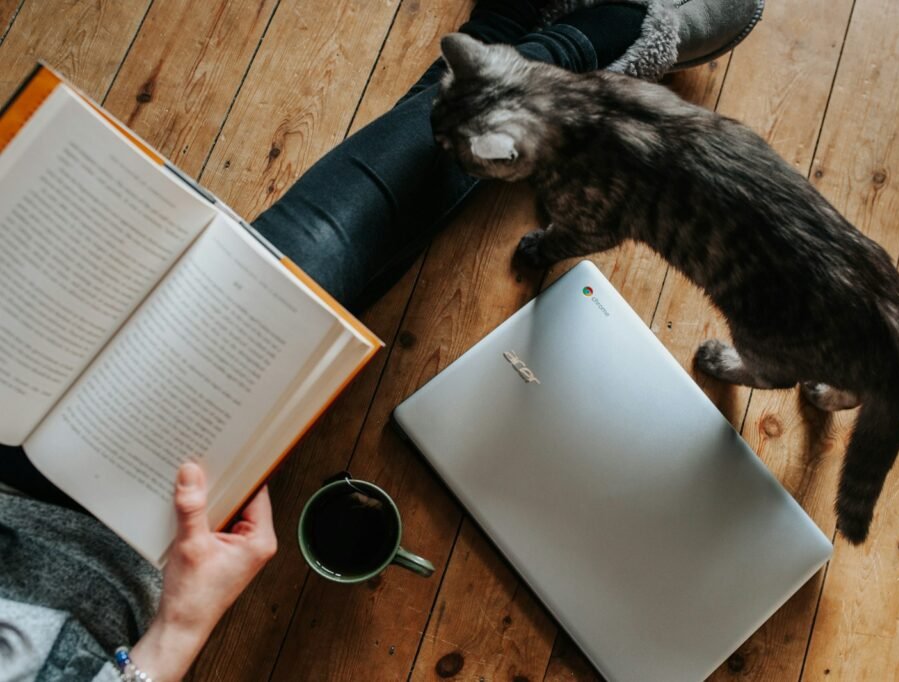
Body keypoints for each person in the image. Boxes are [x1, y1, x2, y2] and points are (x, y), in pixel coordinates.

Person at [0, 1, 762, 679]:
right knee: (329, 256)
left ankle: (521, 35)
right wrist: (177, 638)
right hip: (102, 533)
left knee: (330, 255)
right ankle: (591, 35)